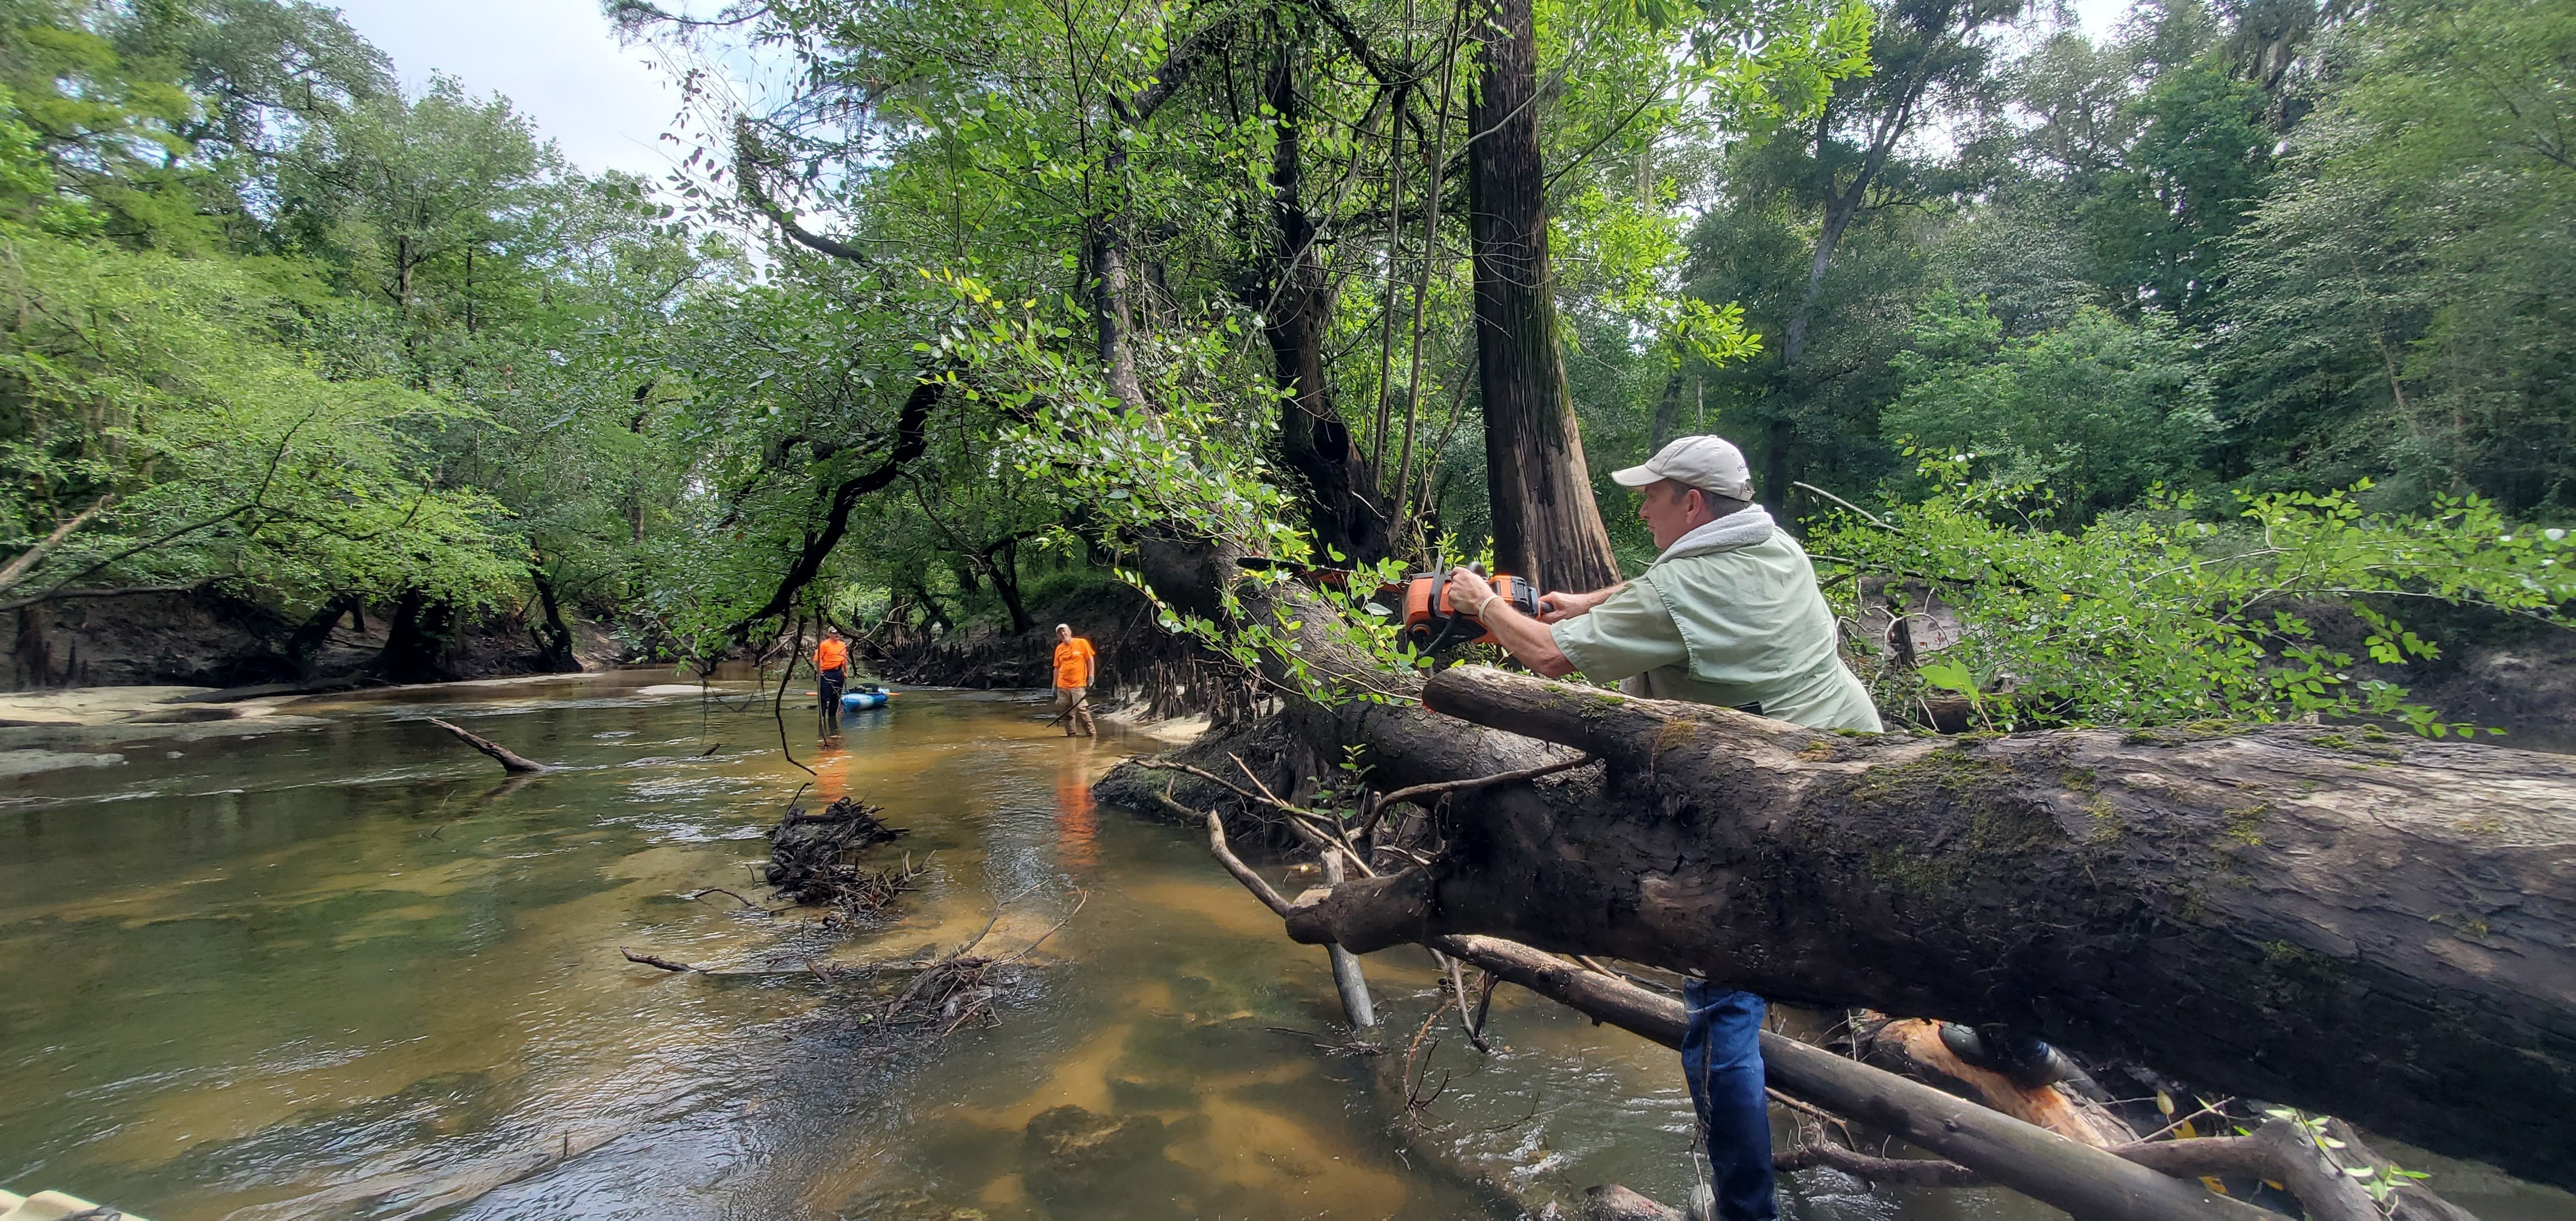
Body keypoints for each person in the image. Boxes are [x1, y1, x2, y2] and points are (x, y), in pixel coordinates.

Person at [1439, 434, 1880, 1221]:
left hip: (1767, 812)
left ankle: (1747, 1214)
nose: (1640, 506)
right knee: (1931, 930)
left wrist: (1484, 607)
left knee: (1719, 1019)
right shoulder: (1772, 545)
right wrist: (1589, 606)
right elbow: (1665, 587)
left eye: (1652, 494)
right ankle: (2022, 1046)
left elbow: (1544, 658)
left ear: (1694, 503)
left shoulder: (1685, 586)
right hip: (1859, 767)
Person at [1050, 623, 1097, 738]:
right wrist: (1054, 686)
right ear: (1058, 636)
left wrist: (1091, 677)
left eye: (1064, 631)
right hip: (1063, 686)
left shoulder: (1081, 643)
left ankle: (1092, 736)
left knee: (1082, 710)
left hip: (1078, 684)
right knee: (1066, 712)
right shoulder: (1059, 649)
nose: (1063, 634)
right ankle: (1071, 736)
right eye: (1060, 633)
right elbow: (1057, 668)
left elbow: (1090, 659)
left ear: (1070, 632)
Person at [813, 627, 850, 732]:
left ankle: (832, 720)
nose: (837, 635)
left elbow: (844, 660)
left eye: (838, 633)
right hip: (827, 673)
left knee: (836, 697)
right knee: (824, 698)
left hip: (838, 673)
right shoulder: (824, 645)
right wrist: (820, 672)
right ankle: (822, 720)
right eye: (834, 633)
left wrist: (845, 672)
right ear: (829, 634)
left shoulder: (842, 645)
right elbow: (817, 659)